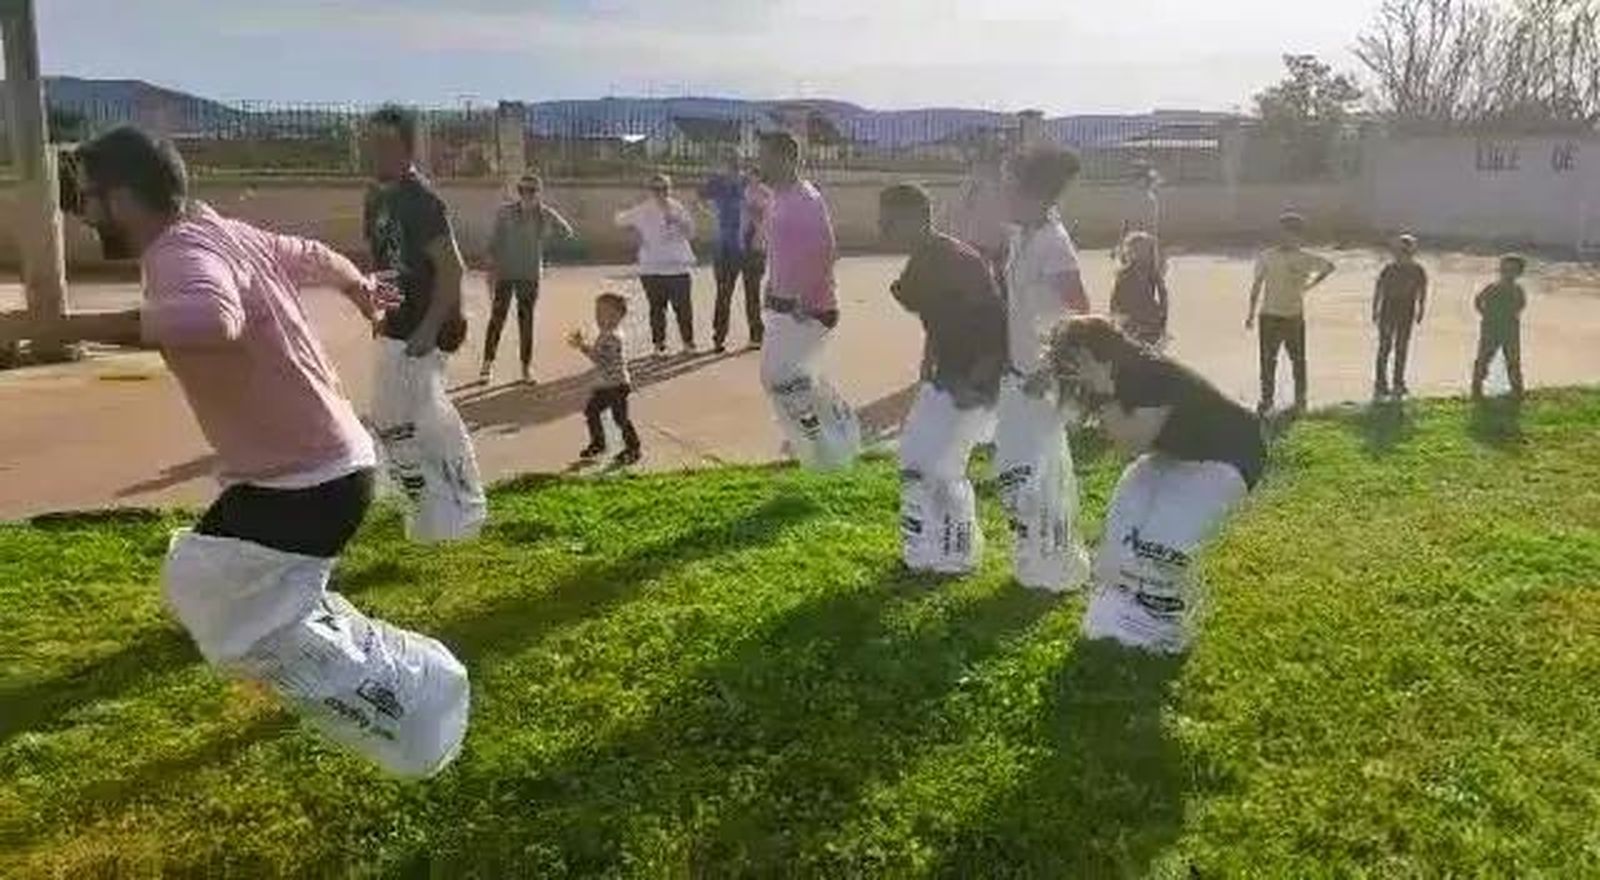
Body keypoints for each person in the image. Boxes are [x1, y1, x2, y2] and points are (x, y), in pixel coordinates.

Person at [65, 126, 469, 777]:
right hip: (325, 469)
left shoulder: (178, 250)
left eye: (88, 199)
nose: (84, 215)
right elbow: (314, 253)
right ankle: (396, 679)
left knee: (213, 594)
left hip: (306, 481)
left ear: (125, 198)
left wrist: (56, 327)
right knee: (219, 591)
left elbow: (210, 321)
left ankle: (415, 684)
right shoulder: (228, 232)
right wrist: (360, 287)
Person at [1044, 315, 1266, 655]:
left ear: (1098, 353)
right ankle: (1124, 613)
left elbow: (1131, 442)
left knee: (1160, 543)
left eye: (1076, 361)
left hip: (1230, 456)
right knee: (1124, 524)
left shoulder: (1150, 374)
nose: (1073, 372)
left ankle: (1167, 625)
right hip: (1177, 453)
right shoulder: (1113, 379)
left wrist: (1104, 392)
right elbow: (1125, 446)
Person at [363, 105, 486, 544]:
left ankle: (459, 511)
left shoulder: (422, 200)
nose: (376, 152)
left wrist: (429, 328)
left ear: (408, 149)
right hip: (397, 327)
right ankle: (429, 508)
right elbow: (383, 266)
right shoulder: (376, 198)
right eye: (371, 142)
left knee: (422, 424)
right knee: (395, 423)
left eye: (387, 144)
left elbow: (452, 268)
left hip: (426, 331)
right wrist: (381, 311)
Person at [879, 183, 1006, 575]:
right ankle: (930, 549)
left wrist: (978, 381)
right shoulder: (922, 259)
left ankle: (955, 555)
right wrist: (928, 366)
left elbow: (996, 323)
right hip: (946, 374)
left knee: (940, 467)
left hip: (972, 377)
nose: (882, 225)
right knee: (920, 461)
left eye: (890, 218)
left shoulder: (956, 260)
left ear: (916, 218)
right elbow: (938, 320)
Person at [993, 146, 1092, 593]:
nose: (1004, 196)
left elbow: (1082, 315)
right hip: (1018, 373)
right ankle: (1039, 554)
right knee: (1022, 470)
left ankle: (1056, 564)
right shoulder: (1022, 236)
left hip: (1042, 379)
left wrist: (1053, 367)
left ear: (1033, 194)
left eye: (1010, 187)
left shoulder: (1054, 243)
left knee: (1039, 472)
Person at [758, 131, 861, 470]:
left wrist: (803, 297)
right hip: (780, 306)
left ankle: (833, 439)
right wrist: (771, 286)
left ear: (787, 159)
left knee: (784, 378)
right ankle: (828, 444)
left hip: (808, 310)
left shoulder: (806, 199)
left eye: (766, 156)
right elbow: (782, 250)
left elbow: (827, 251)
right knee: (791, 379)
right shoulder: (779, 198)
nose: (760, 163)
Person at [482, 172, 575, 384]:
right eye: (522, 190)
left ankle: (525, 368)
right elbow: (494, 241)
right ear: (518, 192)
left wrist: (548, 230)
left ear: (538, 193)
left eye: (531, 191)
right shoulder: (505, 213)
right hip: (506, 273)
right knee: (497, 319)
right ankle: (487, 364)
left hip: (529, 275)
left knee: (526, 322)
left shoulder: (544, 214)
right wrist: (490, 266)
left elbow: (567, 232)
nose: (526, 194)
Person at [1245, 212, 1335, 415]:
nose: (1286, 238)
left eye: (1292, 234)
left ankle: (1300, 398)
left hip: (1293, 316)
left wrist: (1310, 285)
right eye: (1282, 233)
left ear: (1299, 237)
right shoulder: (1266, 256)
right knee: (1268, 360)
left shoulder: (1305, 258)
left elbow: (1329, 267)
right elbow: (1257, 285)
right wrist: (1251, 313)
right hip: (1269, 315)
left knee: (1298, 359)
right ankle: (1267, 400)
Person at [615, 173, 697, 356]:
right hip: (652, 267)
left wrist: (678, 221)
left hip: (678, 267)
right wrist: (633, 231)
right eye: (656, 189)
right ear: (650, 191)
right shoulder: (643, 209)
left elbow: (691, 232)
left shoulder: (678, 208)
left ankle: (688, 343)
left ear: (670, 189)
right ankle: (659, 345)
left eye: (665, 188)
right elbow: (619, 220)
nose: (661, 193)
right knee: (657, 309)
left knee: (683, 308)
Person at [568, 292, 642, 466]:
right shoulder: (605, 334)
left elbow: (601, 360)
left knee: (620, 418)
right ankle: (599, 444)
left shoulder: (612, 337)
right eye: (597, 313)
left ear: (617, 317)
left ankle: (633, 448)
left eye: (605, 314)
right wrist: (584, 345)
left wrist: (582, 346)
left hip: (616, 385)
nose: (599, 318)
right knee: (591, 411)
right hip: (604, 385)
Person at [699, 156, 763, 352]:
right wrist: (711, 214)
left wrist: (759, 232)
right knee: (725, 293)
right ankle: (719, 337)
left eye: (732, 168)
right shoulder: (716, 183)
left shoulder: (748, 182)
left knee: (750, 293)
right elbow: (699, 199)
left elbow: (765, 205)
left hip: (748, 246)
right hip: (726, 246)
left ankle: (755, 335)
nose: (730, 172)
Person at [1371, 233, 1428, 399]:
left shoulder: (1418, 270)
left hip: (1407, 310)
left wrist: (1421, 309)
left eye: (1407, 250)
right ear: (1396, 251)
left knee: (1402, 348)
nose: (1403, 254)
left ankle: (1398, 382)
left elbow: (1422, 291)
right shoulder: (1389, 269)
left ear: (1412, 252)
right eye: (1401, 250)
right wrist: (1374, 310)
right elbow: (1379, 290)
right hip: (1388, 309)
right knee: (1385, 347)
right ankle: (1381, 384)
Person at [944, 147, 1011, 284]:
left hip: (992, 239)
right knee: (987, 274)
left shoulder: (981, 186)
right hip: (984, 239)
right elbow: (958, 211)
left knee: (997, 274)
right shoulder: (976, 186)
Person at [1472, 254, 1529, 401]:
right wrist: (1485, 315)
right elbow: (1478, 301)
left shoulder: (1518, 290)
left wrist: (1510, 315)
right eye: (1505, 269)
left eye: (1513, 270)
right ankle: (1476, 389)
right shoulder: (1492, 287)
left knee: (1513, 360)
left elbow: (1521, 305)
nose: (1508, 273)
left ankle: (1517, 390)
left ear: (1518, 273)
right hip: (1491, 328)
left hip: (1510, 329)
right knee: (1484, 358)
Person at [1109, 230, 1170, 349]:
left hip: (1150, 322)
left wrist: (1162, 318)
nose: (1140, 254)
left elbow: (1163, 295)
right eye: (1135, 250)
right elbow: (1114, 298)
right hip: (1130, 322)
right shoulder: (1123, 274)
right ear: (1129, 252)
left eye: (1144, 250)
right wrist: (1114, 319)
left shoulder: (1153, 272)